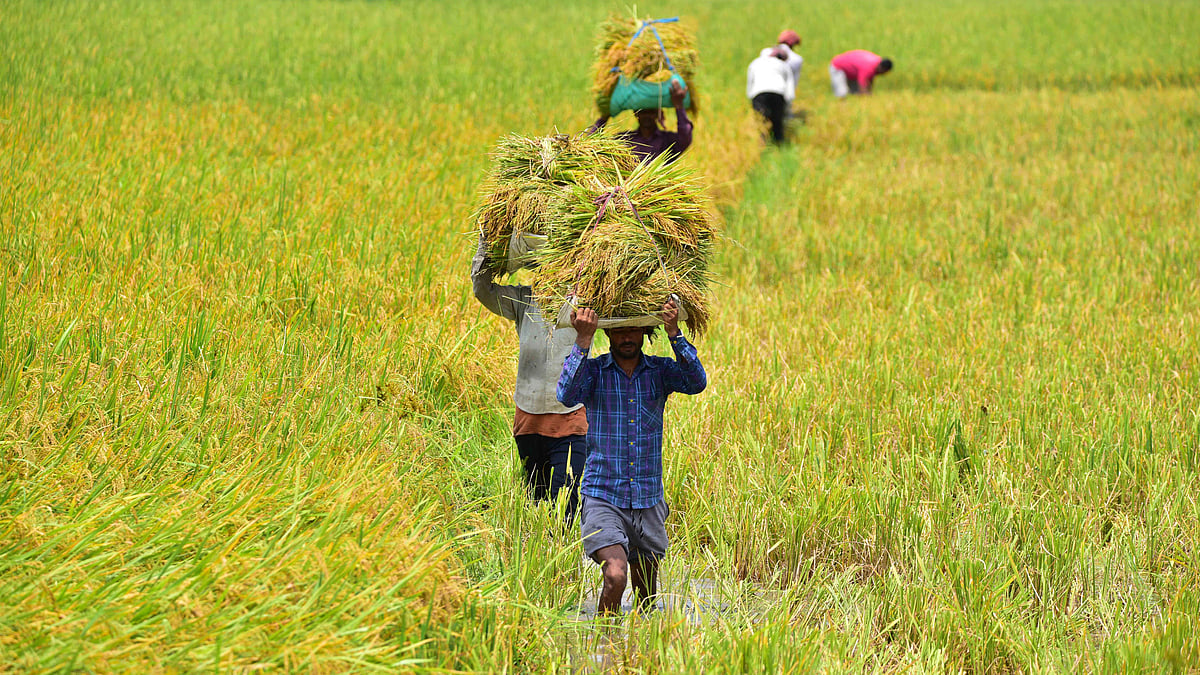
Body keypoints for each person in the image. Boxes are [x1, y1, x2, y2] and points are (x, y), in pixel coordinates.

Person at [557, 299, 707, 614]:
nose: (627, 337)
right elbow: (566, 394)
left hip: (647, 498)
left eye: (634, 329)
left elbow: (697, 382)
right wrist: (582, 340)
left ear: (644, 331)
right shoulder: (595, 372)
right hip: (603, 496)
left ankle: (636, 654)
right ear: (607, 333)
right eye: (619, 330)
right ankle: (605, 648)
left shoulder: (660, 371)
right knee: (615, 574)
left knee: (646, 600)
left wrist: (675, 332)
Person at [472, 237, 587, 523]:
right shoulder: (523, 300)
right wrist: (486, 243)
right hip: (529, 418)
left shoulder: (582, 304)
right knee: (536, 499)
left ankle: (566, 559)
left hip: (569, 419)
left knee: (567, 501)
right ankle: (538, 560)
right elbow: (482, 289)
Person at [589, 80, 692, 163]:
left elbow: (685, 138)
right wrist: (605, 116)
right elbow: (590, 145)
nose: (647, 115)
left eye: (651, 111)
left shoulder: (667, 141)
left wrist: (679, 106)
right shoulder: (624, 140)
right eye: (642, 111)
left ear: (658, 113)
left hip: (658, 188)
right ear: (636, 113)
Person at [747, 47, 795, 144]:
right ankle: (779, 144)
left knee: (761, 120)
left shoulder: (755, 63)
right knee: (777, 121)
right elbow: (790, 87)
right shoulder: (783, 65)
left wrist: (750, 98)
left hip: (759, 92)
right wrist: (788, 105)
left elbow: (750, 82)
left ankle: (762, 143)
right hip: (778, 92)